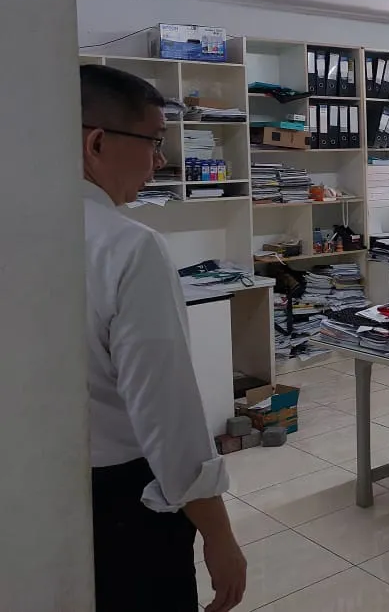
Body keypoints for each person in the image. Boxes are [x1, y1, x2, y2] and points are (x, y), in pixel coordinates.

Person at [81, 65, 246, 612]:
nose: (160, 162)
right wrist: (219, 535)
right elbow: (167, 415)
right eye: (153, 142)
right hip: (124, 502)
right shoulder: (129, 246)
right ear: (97, 143)